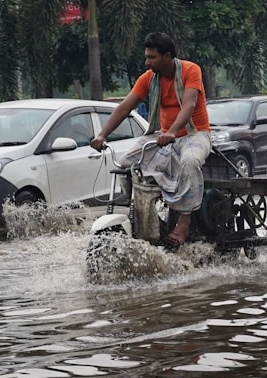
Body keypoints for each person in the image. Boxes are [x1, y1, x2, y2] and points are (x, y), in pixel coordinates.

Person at [90, 32, 211, 246]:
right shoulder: (149, 78)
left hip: (194, 134)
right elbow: (125, 107)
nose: (147, 62)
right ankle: (141, 214)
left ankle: (184, 221)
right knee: (127, 163)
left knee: (190, 162)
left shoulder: (191, 70)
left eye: (151, 57)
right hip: (163, 136)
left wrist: (172, 131)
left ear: (167, 56)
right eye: (146, 57)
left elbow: (189, 105)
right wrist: (102, 134)